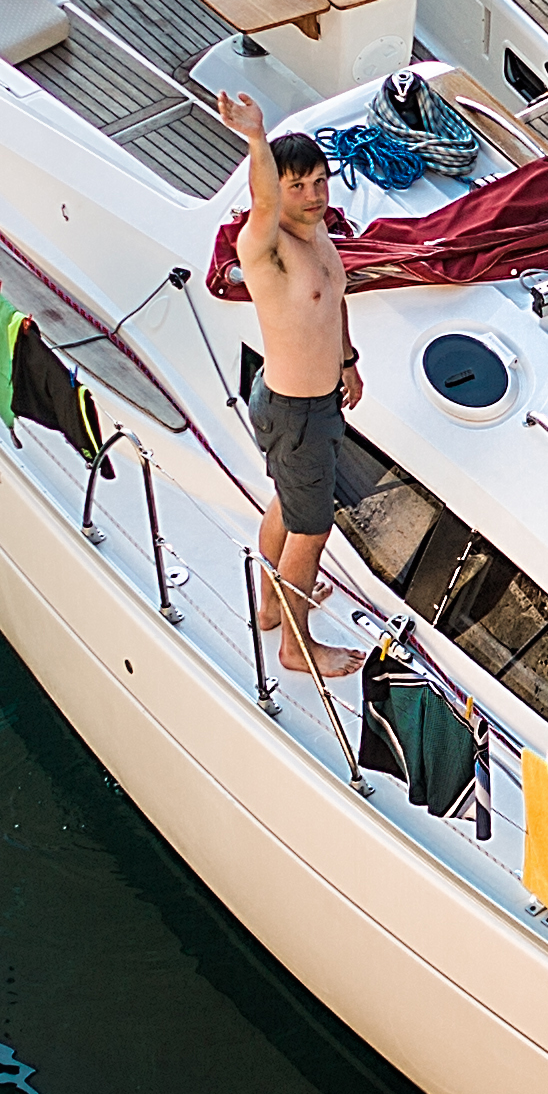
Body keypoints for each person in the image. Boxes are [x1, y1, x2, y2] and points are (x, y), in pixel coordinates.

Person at [222, 97, 367, 681]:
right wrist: (257, 140)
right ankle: (296, 646)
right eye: (297, 186)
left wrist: (347, 361)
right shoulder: (266, 246)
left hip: (314, 402)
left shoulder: (318, 234)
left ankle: (268, 607)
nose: (313, 195)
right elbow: (262, 201)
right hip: (294, 411)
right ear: (275, 191)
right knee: (312, 527)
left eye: (319, 181)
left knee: (287, 502)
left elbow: (334, 297)